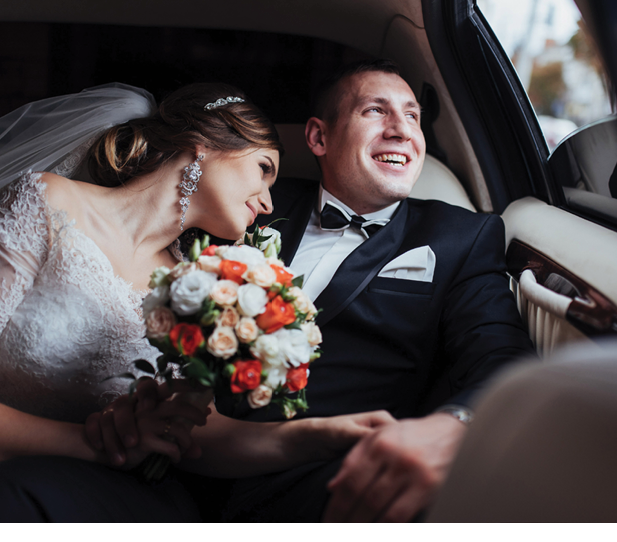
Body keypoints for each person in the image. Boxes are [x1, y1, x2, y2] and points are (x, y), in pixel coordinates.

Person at [0, 81, 392, 520]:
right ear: (202, 144)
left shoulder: (195, 286)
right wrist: (91, 446)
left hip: (98, 497)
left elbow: (199, 437)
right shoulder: (45, 205)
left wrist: (319, 436)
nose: (268, 203)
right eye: (263, 169)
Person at [168, 59, 537, 521]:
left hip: (332, 482)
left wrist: (455, 425)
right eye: (375, 111)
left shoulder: (461, 237)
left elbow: (503, 357)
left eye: (412, 115)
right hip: (178, 454)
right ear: (319, 137)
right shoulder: (252, 200)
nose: (402, 131)